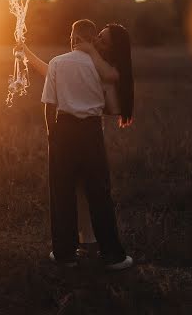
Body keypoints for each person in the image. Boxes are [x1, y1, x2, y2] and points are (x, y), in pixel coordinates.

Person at [26, 19, 133, 269]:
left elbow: (48, 104)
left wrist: (53, 134)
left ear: (72, 38)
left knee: (61, 192)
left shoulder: (57, 63)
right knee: (99, 193)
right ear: (89, 38)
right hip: (91, 132)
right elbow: (111, 105)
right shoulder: (101, 67)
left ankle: (64, 255)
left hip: (63, 130)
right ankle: (112, 255)